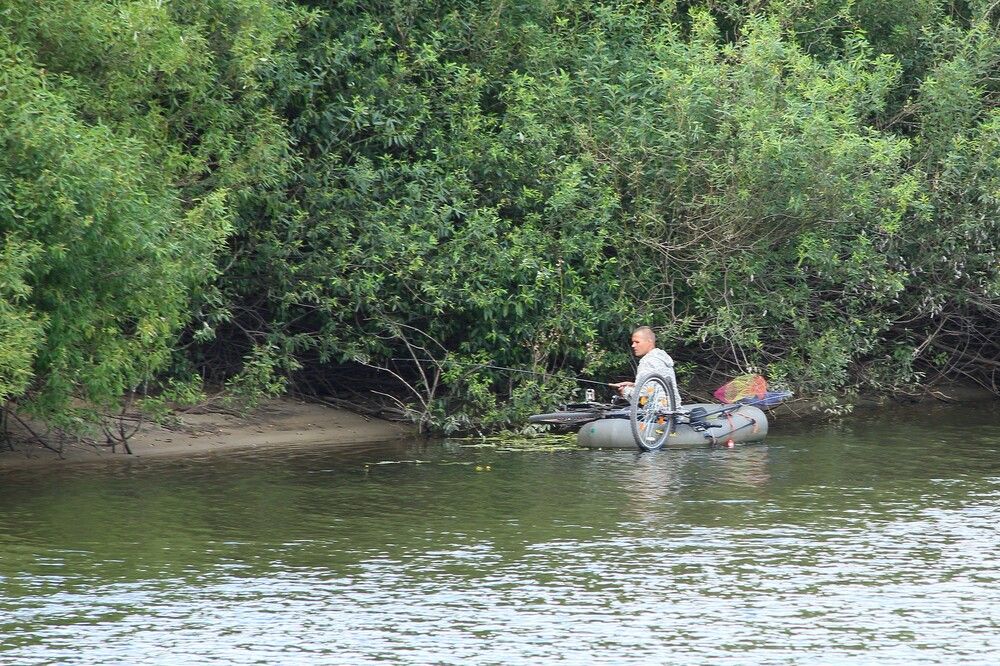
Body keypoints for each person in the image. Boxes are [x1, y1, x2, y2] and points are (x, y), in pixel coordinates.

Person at [610, 326, 682, 406]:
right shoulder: (661, 359)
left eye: (637, 342)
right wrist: (634, 385)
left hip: (659, 412)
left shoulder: (647, 362)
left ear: (649, 341)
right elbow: (655, 387)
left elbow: (643, 396)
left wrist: (625, 391)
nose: (633, 345)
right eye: (633, 342)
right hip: (673, 409)